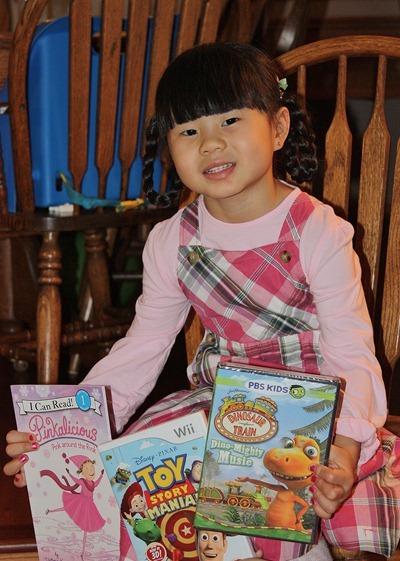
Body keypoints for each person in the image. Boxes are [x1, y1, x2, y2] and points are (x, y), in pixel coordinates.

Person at [4, 42, 400, 561]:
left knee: (320, 505)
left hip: (319, 411)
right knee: (140, 494)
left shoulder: (317, 231)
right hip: (226, 412)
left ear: (278, 128)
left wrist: (344, 447)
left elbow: (350, 350)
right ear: (168, 148)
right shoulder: (172, 240)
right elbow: (142, 348)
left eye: (230, 120)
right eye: (188, 131)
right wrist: (69, 434)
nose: (211, 144)